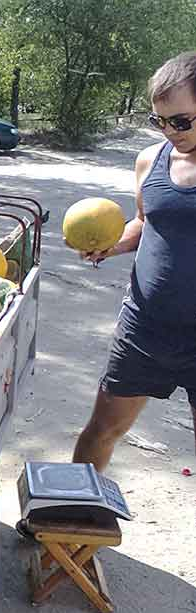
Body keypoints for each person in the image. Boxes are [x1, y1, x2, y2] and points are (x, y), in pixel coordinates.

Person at [72, 51, 196, 472]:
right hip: (145, 328)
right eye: (159, 121)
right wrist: (111, 244)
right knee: (100, 432)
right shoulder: (151, 160)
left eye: (180, 121)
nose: (170, 131)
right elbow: (146, 222)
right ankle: (72, 521)